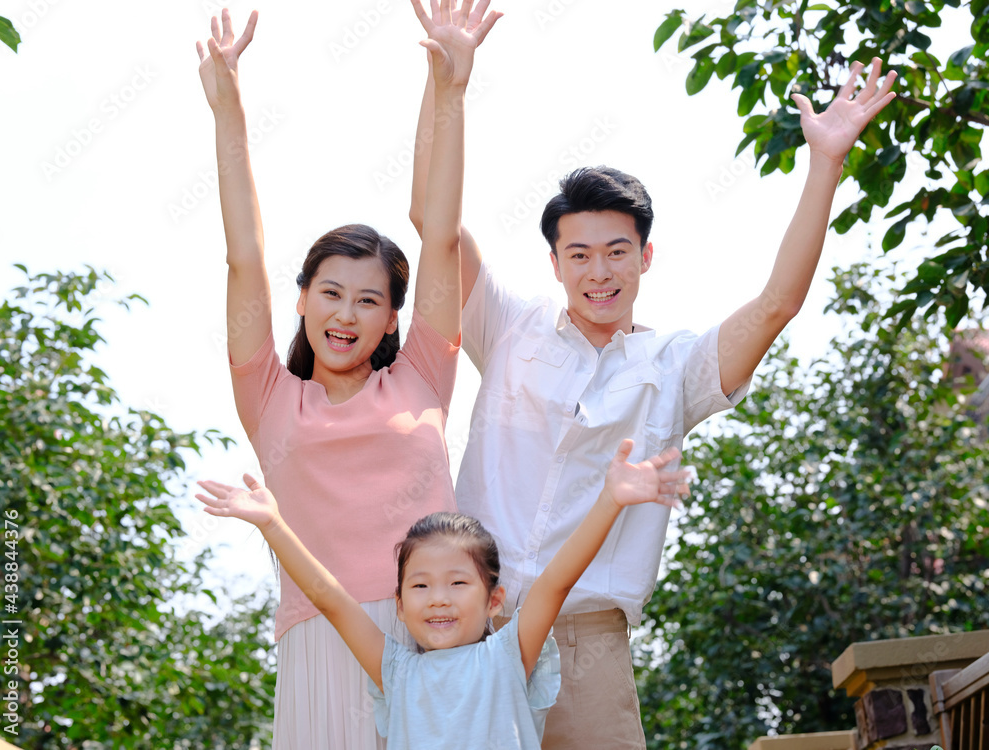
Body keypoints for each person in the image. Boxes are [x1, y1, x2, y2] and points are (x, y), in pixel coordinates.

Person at [409, 52, 897, 748]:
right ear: (554, 263)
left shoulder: (674, 367)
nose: (598, 272)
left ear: (644, 256)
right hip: (466, 636)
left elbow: (776, 305)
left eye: (616, 251)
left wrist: (825, 165)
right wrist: (446, 84)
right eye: (578, 254)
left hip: (586, 646)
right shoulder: (507, 326)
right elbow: (433, 221)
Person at [194, 2, 499, 747]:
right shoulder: (269, 396)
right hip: (318, 640)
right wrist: (228, 108)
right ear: (301, 299)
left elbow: (444, 233)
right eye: (330, 292)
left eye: (369, 300)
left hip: (434, 635)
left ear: (393, 318)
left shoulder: (425, 371)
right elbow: (243, 258)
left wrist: (451, 93)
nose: (346, 314)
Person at [196, 440, 694, 749]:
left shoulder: (507, 655)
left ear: (493, 600)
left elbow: (557, 581)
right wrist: (272, 523)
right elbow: (330, 598)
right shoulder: (396, 670)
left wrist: (610, 500)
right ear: (400, 605)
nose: (438, 598)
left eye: (458, 583)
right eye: (420, 585)